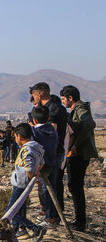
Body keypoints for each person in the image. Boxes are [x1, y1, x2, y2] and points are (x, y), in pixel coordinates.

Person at [0, 123, 47, 242]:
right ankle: (11, 236)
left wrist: (31, 178)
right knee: (17, 211)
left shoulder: (27, 149)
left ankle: (35, 228)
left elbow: (30, 168)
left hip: (21, 184)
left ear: (18, 136)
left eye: (15, 136)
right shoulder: (37, 147)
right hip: (23, 184)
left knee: (11, 212)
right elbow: (42, 163)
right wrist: (36, 173)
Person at [60, 85, 98, 232]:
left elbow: (89, 124)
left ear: (70, 98)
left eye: (64, 99)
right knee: (74, 186)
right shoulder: (77, 109)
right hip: (79, 154)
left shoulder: (80, 109)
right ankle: (79, 220)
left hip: (79, 155)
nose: (63, 102)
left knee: (75, 187)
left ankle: (80, 222)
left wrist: (76, 144)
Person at [30, 82, 69, 214]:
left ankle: (51, 216)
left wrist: (34, 129)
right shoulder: (54, 107)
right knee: (54, 184)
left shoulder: (53, 109)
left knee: (50, 186)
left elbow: (51, 131)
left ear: (39, 94)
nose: (34, 99)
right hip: (53, 152)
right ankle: (54, 213)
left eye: (34, 96)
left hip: (52, 153)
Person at [30, 106, 58, 228]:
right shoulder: (52, 130)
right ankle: (52, 216)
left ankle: (49, 218)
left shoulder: (35, 132)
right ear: (48, 118)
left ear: (34, 120)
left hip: (42, 166)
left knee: (46, 192)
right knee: (52, 190)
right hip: (53, 163)